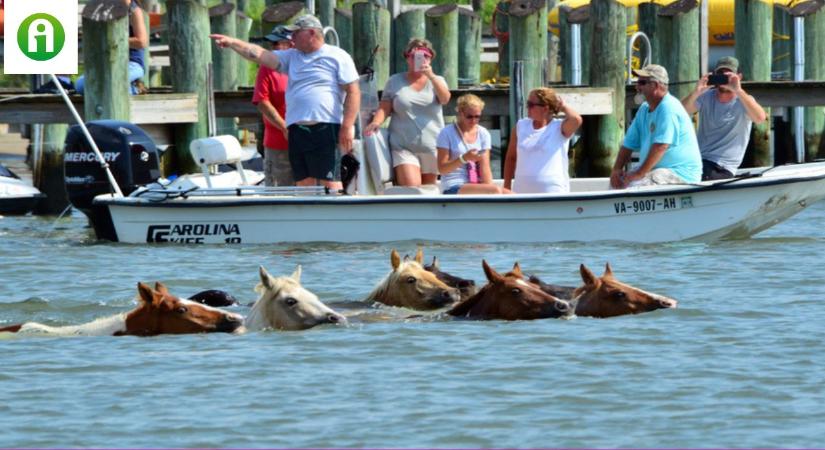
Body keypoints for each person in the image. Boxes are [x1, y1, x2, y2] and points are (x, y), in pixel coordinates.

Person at [211, 14, 360, 190]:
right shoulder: (291, 56)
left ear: (312, 33)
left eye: (296, 33)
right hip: (297, 129)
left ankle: (336, 216)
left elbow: (354, 92)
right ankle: (306, 216)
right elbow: (257, 53)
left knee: (331, 180)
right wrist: (232, 42)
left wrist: (347, 126)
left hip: (325, 127)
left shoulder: (338, 56)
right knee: (303, 182)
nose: (292, 38)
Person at [363, 38, 450, 187]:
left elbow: (445, 99)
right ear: (407, 58)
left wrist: (431, 76)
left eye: (425, 56)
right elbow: (385, 107)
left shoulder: (437, 80)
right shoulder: (394, 80)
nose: (419, 59)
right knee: (411, 188)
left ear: (431, 59)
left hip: (432, 146)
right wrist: (376, 122)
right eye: (413, 56)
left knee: (429, 191)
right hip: (402, 146)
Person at [610, 64, 702, 189]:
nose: (637, 87)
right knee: (618, 183)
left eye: (642, 83)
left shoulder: (669, 108)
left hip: (681, 174)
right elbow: (628, 144)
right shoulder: (644, 109)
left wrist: (639, 173)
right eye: (638, 82)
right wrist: (616, 169)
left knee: (634, 186)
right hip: (657, 171)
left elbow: (661, 146)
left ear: (657, 85)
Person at [681, 56, 768, 180]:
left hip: (722, 167)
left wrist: (738, 90)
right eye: (720, 74)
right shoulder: (706, 97)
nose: (723, 78)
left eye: (728, 75)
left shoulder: (744, 100)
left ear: (739, 77)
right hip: (699, 161)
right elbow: (679, 112)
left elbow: (760, 118)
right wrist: (696, 92)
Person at [503, 87, 582, 193]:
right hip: (521, 191)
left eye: (531, 105)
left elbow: (576, 120)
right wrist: (506, 187)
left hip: (552, 191)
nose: (527, 107)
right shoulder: (520, 126)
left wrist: (562, 106)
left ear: (545, 108)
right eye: (527, 104)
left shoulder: (559, 127)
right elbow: (511, 158)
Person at [436, 94, 512, 195]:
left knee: (510, 194)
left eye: (477, 117)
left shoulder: (483, 133)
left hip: (477, 184)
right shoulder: (446, 133)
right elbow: (442, 169)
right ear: (460, 113)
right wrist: (464, 158)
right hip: (453, 185)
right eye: (469, 116)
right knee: (495, 191)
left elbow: (485, 168)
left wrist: (489, 187)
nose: (474, 120)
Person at [76, 0, 148, 95]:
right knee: (80, 85)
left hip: (132, 64)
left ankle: (135, 89)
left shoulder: (134, 10)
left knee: (110, 83)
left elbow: (141, 42)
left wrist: (113, 39)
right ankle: (129, 87)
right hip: (107, 63)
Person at [252, 25, 293, 187]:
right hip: (278, 145)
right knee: (278, 194)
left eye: (278, 44)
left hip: (307, 144)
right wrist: (285, 128)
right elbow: (262, 102)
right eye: (272, 44)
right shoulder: (267, 67)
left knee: (310, 192)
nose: (273, 48)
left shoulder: (305, 65)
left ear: (292, 44)